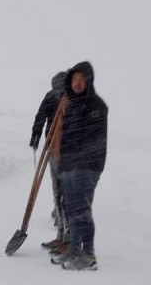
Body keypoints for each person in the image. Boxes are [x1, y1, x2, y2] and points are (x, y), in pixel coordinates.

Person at [50, 61, 108, 271]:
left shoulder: (95, 106)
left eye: (81, 80)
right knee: (73, 210)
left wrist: (81, 162)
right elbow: (66, 139)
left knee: (82, 210)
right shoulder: (71, 104)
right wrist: (64, 164)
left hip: (87, 166)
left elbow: (92, 140)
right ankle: (74, 249)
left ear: (88, 82)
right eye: (74, 80)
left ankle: (89, 255)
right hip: (70, 166)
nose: (77, 84)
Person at [31, 71, 68, 250]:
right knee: (63, 187)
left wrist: (35, 138)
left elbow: (40, 116)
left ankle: (64, 229)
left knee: (59, 186)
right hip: (62, 147)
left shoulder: (56, 95)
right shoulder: (70, 96)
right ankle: (62, 227)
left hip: (57, 146)